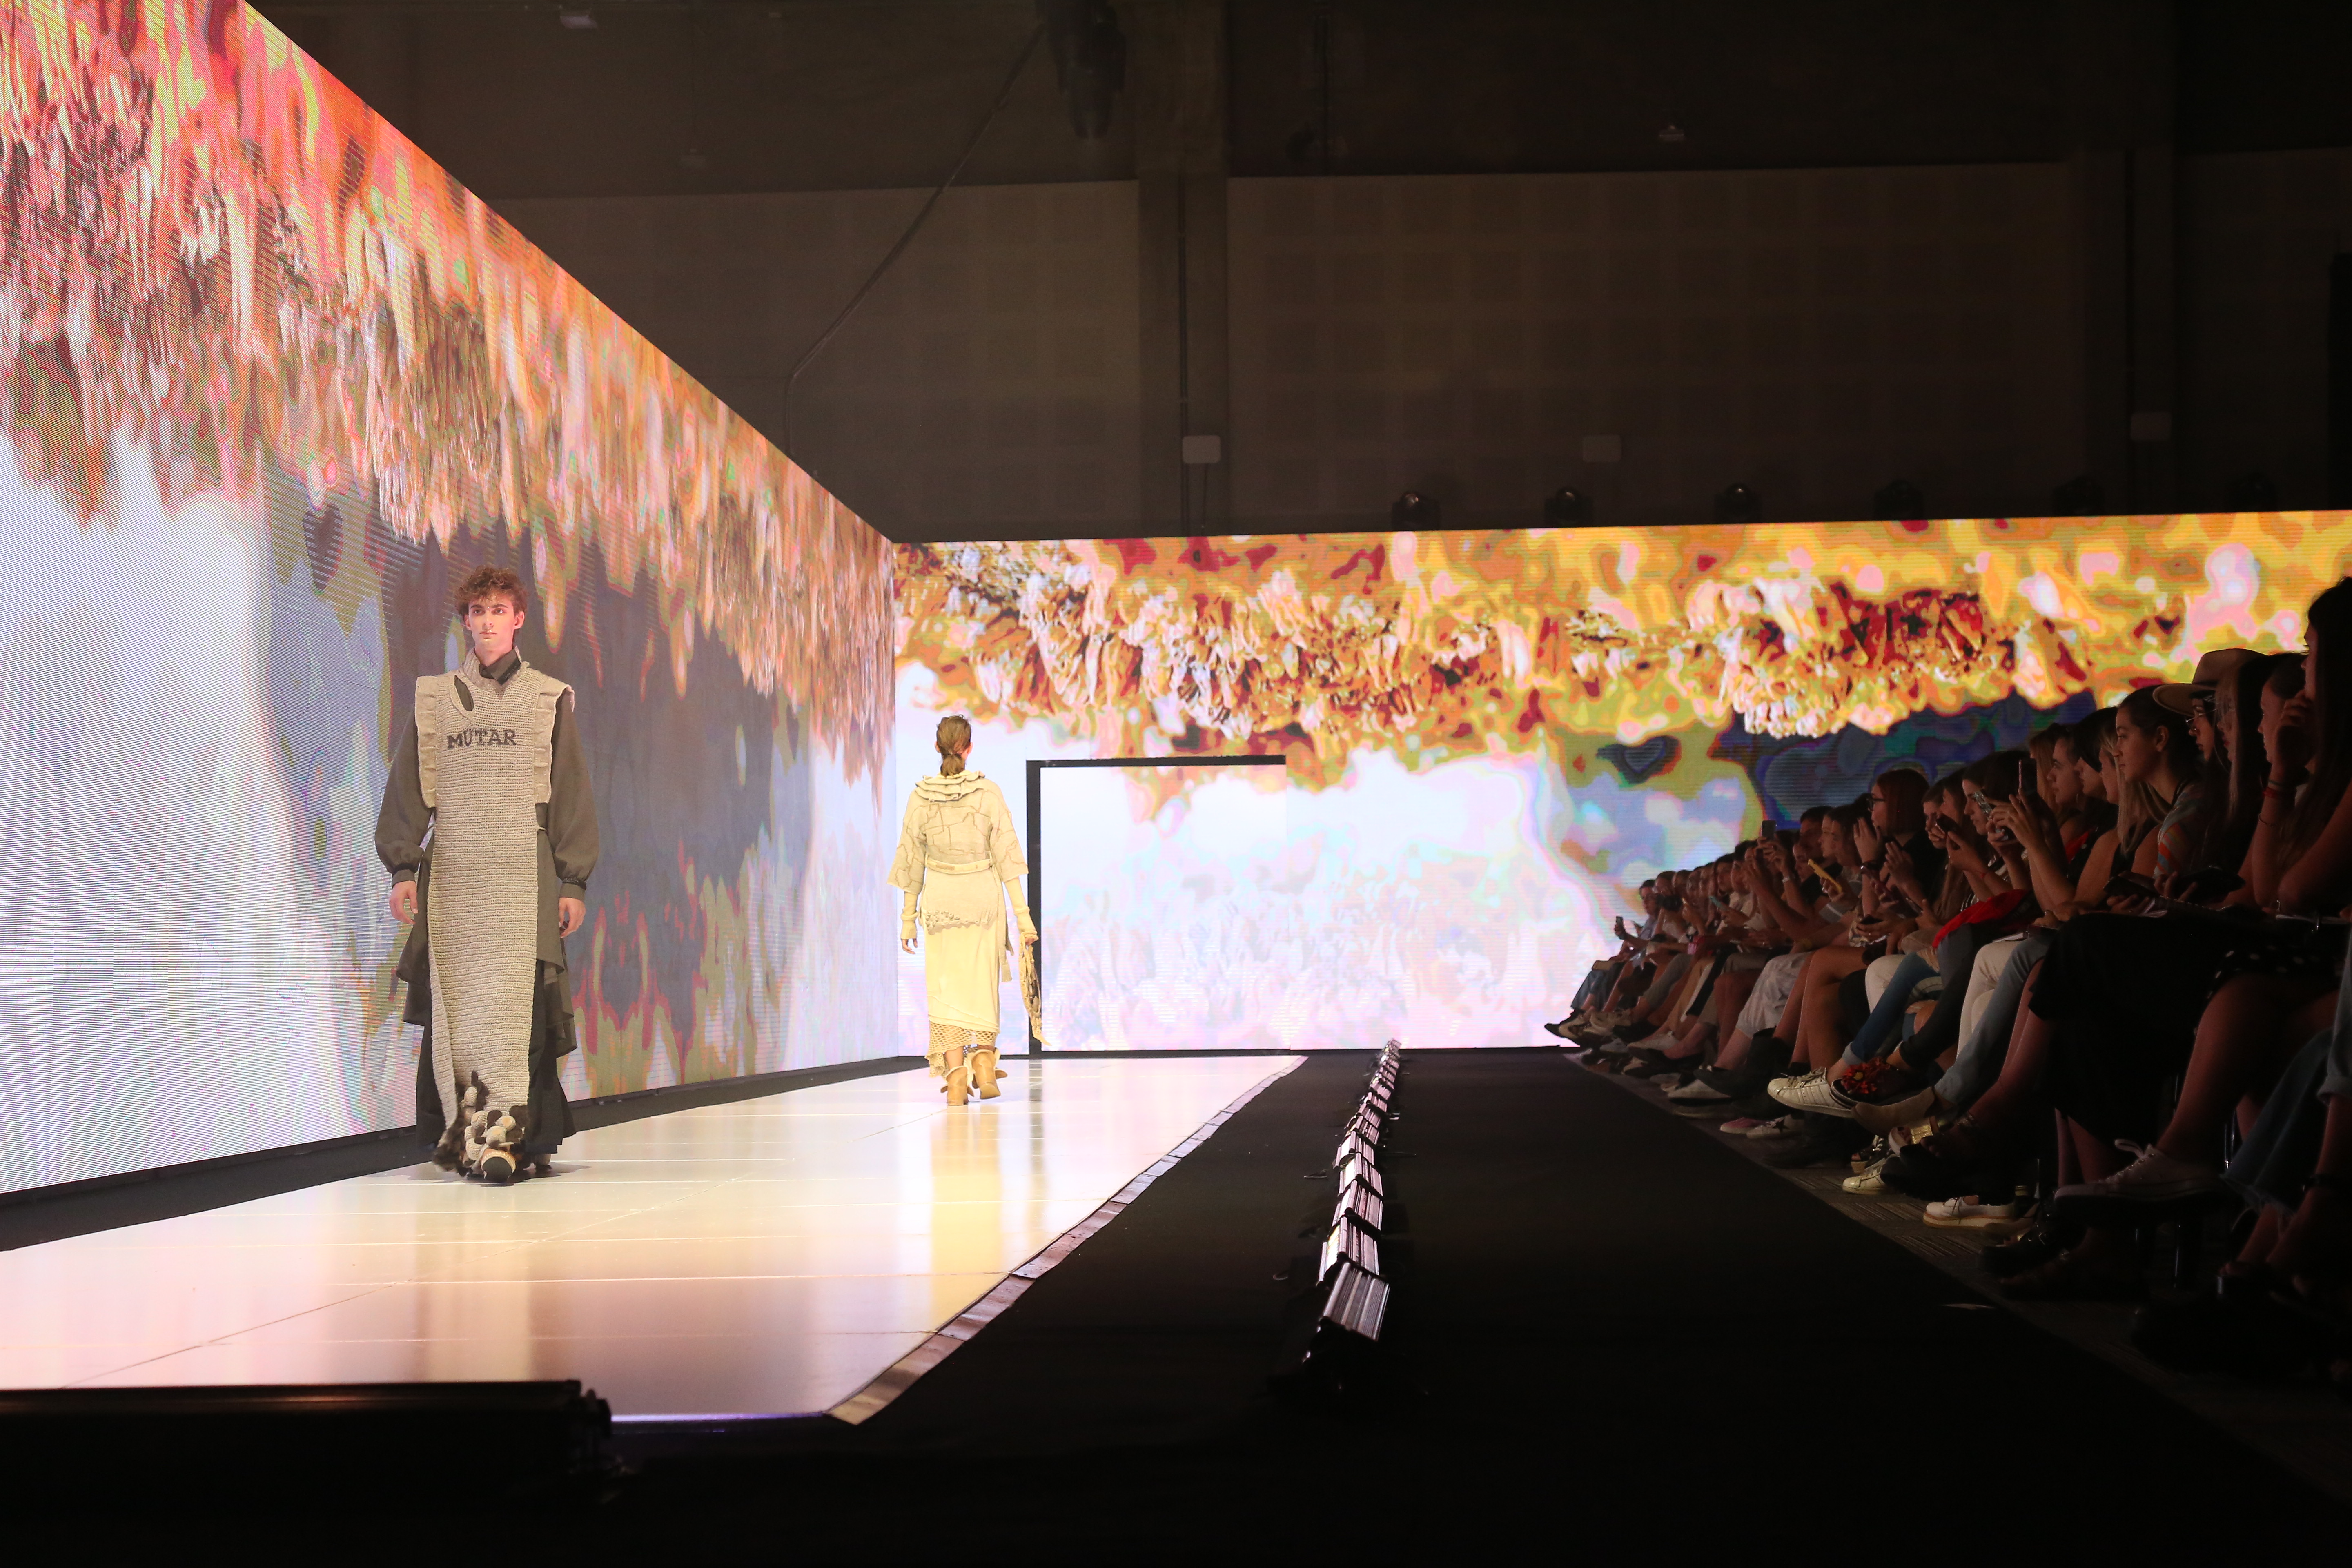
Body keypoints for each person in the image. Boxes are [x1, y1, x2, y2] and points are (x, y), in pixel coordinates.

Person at [376, 564, 599, 1184]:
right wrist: (402, 867)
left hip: (523, 874)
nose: (488, 622)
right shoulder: (435, 700)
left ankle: (512, 1139)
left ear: (518, 619)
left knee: (518, 1006)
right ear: (466, 622)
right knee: (461, 1008)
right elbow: (408, 788)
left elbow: (570, 792)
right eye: (478, 612)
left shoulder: (548, 698)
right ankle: (474, 1138)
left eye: (499, 610)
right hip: (456, 876)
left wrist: (573, 881)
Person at [891, 715, 1038, 1106]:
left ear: (936, 747)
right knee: (981, 985)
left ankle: (957, 1080)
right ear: (969, 748)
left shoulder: (920, 797)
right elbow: (1008, 860)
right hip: (982, 901)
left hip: (941, 903)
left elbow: (911, 863)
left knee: (946, 989)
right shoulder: (988, 793)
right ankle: (984, 1065)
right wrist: (1023, 918)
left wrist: (908, 919)